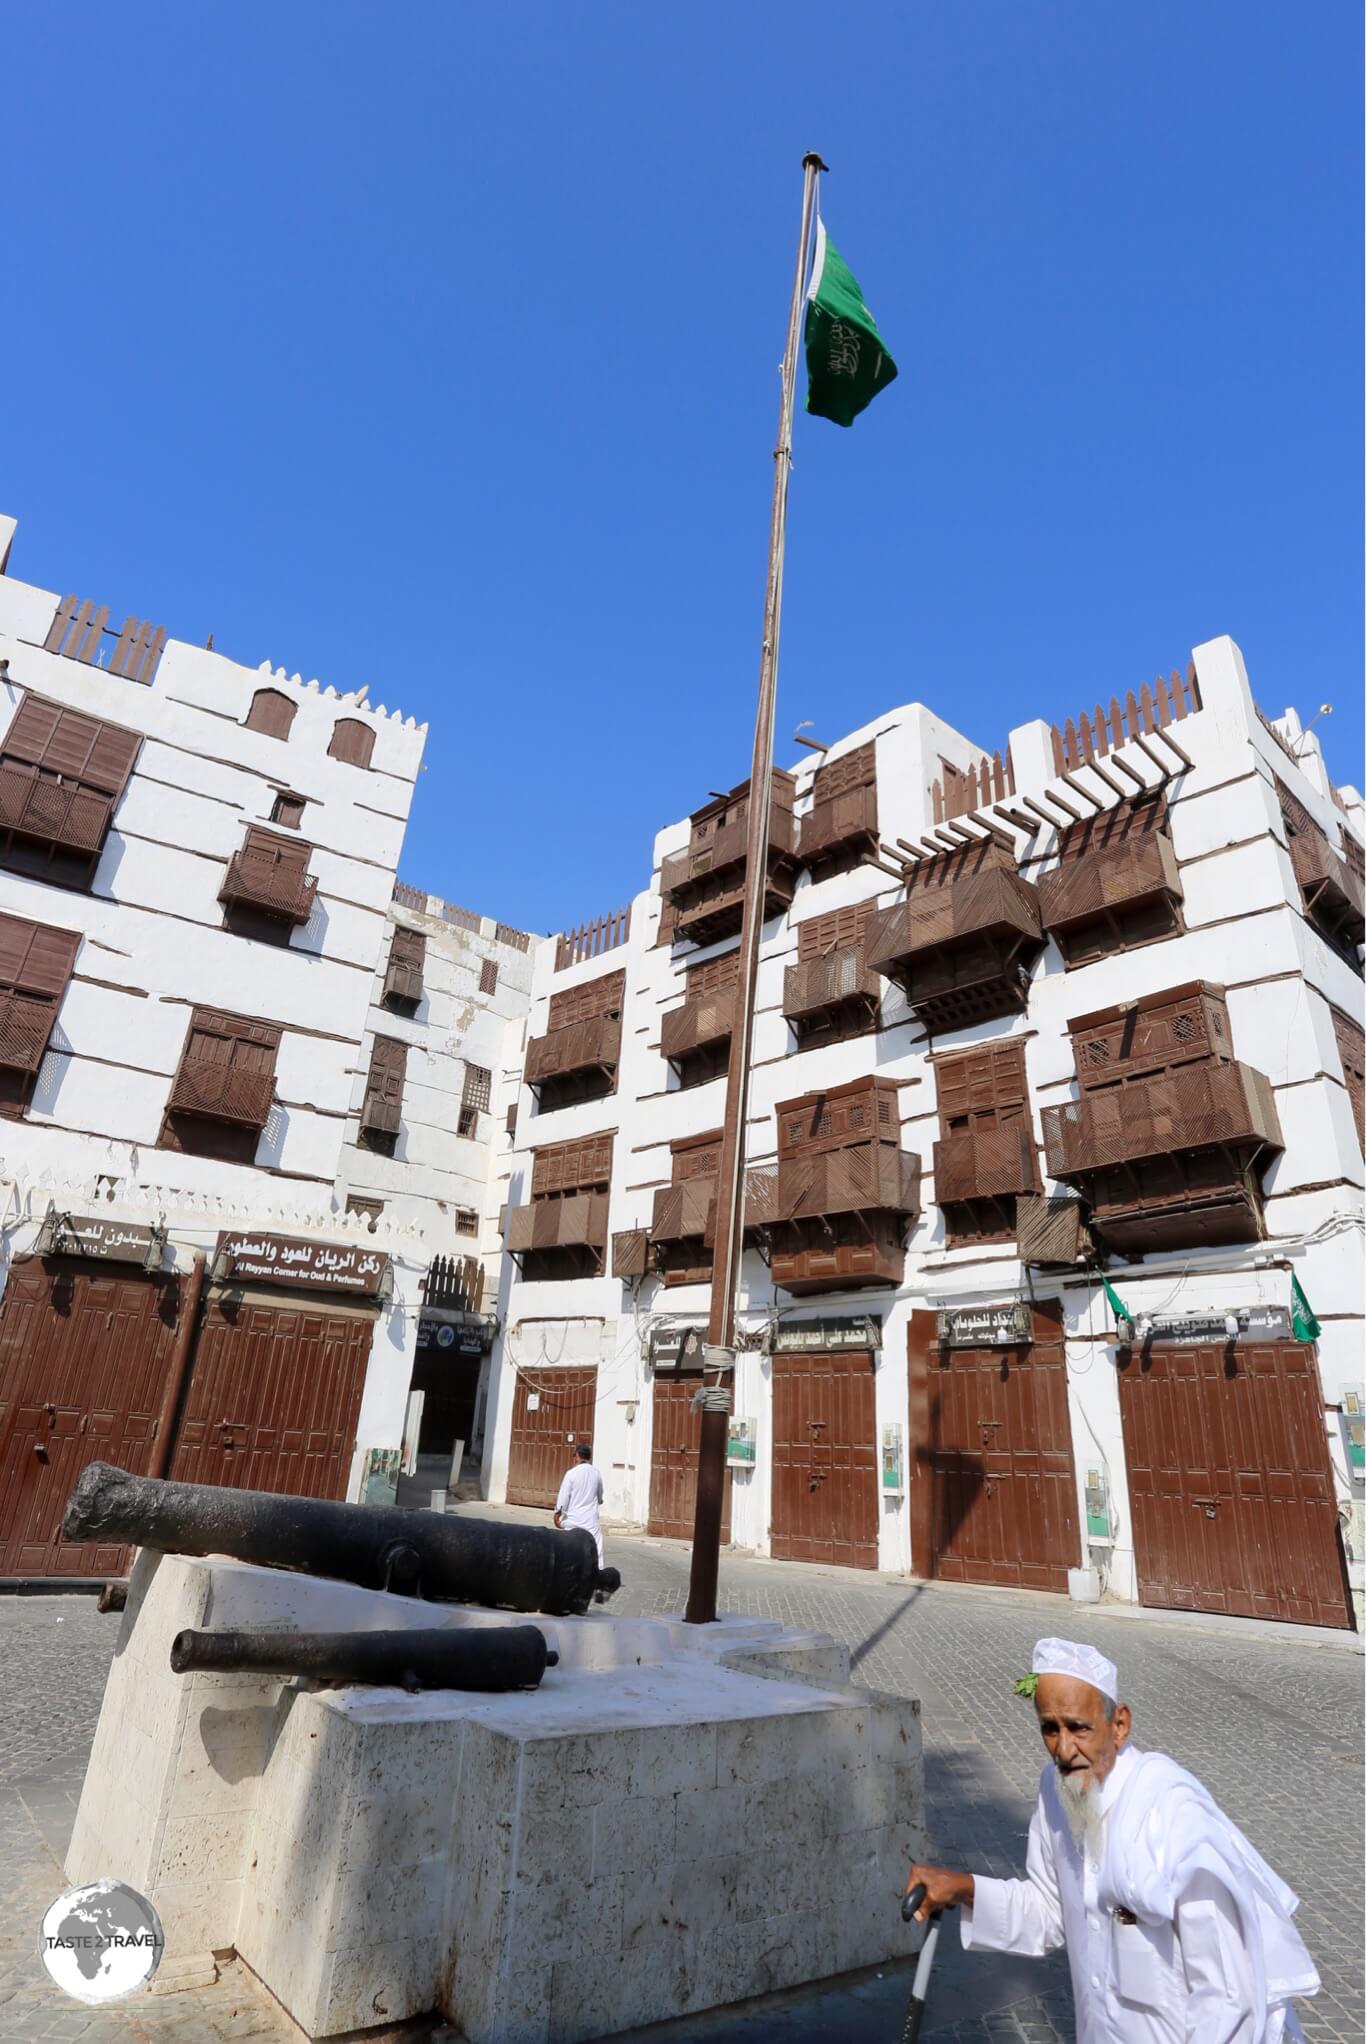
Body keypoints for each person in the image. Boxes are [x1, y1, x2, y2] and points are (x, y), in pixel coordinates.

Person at [906, 1637, 1319, 2044]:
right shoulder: (1055, 1790)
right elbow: (1049, 1913)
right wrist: (963, 1889)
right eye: (1049, 1729)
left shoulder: (1171, 1811)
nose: (1064, 1749)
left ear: (1119, 1724)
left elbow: (1229, 1996)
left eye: (1078, 1728)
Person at [553, 1441, 604, 1569]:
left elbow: (563, 1498)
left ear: (577, 1456)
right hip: (590, 1520)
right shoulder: (596, 1473)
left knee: (569, 1548)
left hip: (573, 1519)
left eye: (574, 1456)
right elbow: (600, 1496)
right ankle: (599, 1575)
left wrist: (557, 1515)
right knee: (597, 1547)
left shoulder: (571, 1474)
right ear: (589, 1457)